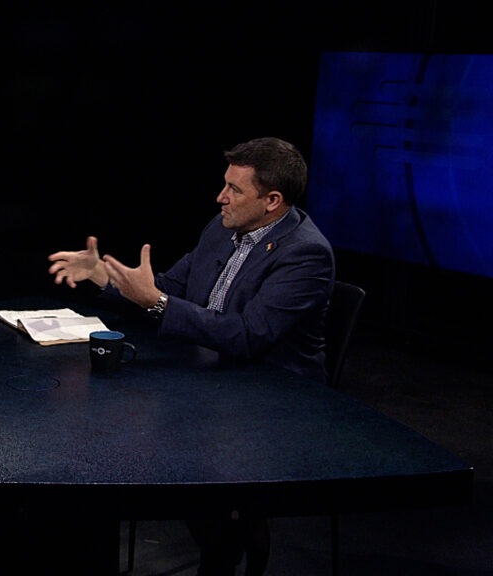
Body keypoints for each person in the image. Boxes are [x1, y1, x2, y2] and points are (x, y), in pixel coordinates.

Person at [47, 137, 335, 576]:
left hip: (273, 400)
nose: (221, 197)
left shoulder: (306, 254)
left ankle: (229, 545)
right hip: (213, 378)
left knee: (174, 444)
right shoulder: (222, 228)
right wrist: (106, 276)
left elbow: (249, 335)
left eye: (235, 190)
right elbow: (172, 289)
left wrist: (156, 302)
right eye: (225, 185)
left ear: (272, 201)